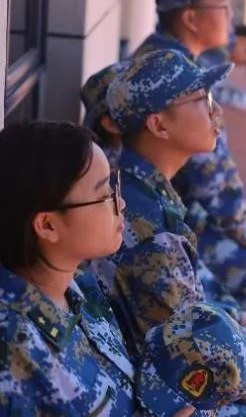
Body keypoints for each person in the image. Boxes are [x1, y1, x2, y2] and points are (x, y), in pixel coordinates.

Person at [89, 49, 246, 417]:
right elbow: (184, 353)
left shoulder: (142, 187)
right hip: (157, 390)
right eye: (202, 100)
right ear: (159, 126)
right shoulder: (149, 224)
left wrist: (230, 315)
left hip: (160, 362)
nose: (216, 113)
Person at [0, 121, 197, 416]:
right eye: (105, 194)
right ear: (48, 225)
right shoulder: (13, 348)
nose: (121, 203)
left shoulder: (78, 285)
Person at [137, 0, 246, 317]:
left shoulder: (170, 58)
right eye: (222, 7)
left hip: (160, 206)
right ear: (191, 18)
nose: (231, 17)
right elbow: (210, 174)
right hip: (151, 221)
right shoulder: (175, 71)